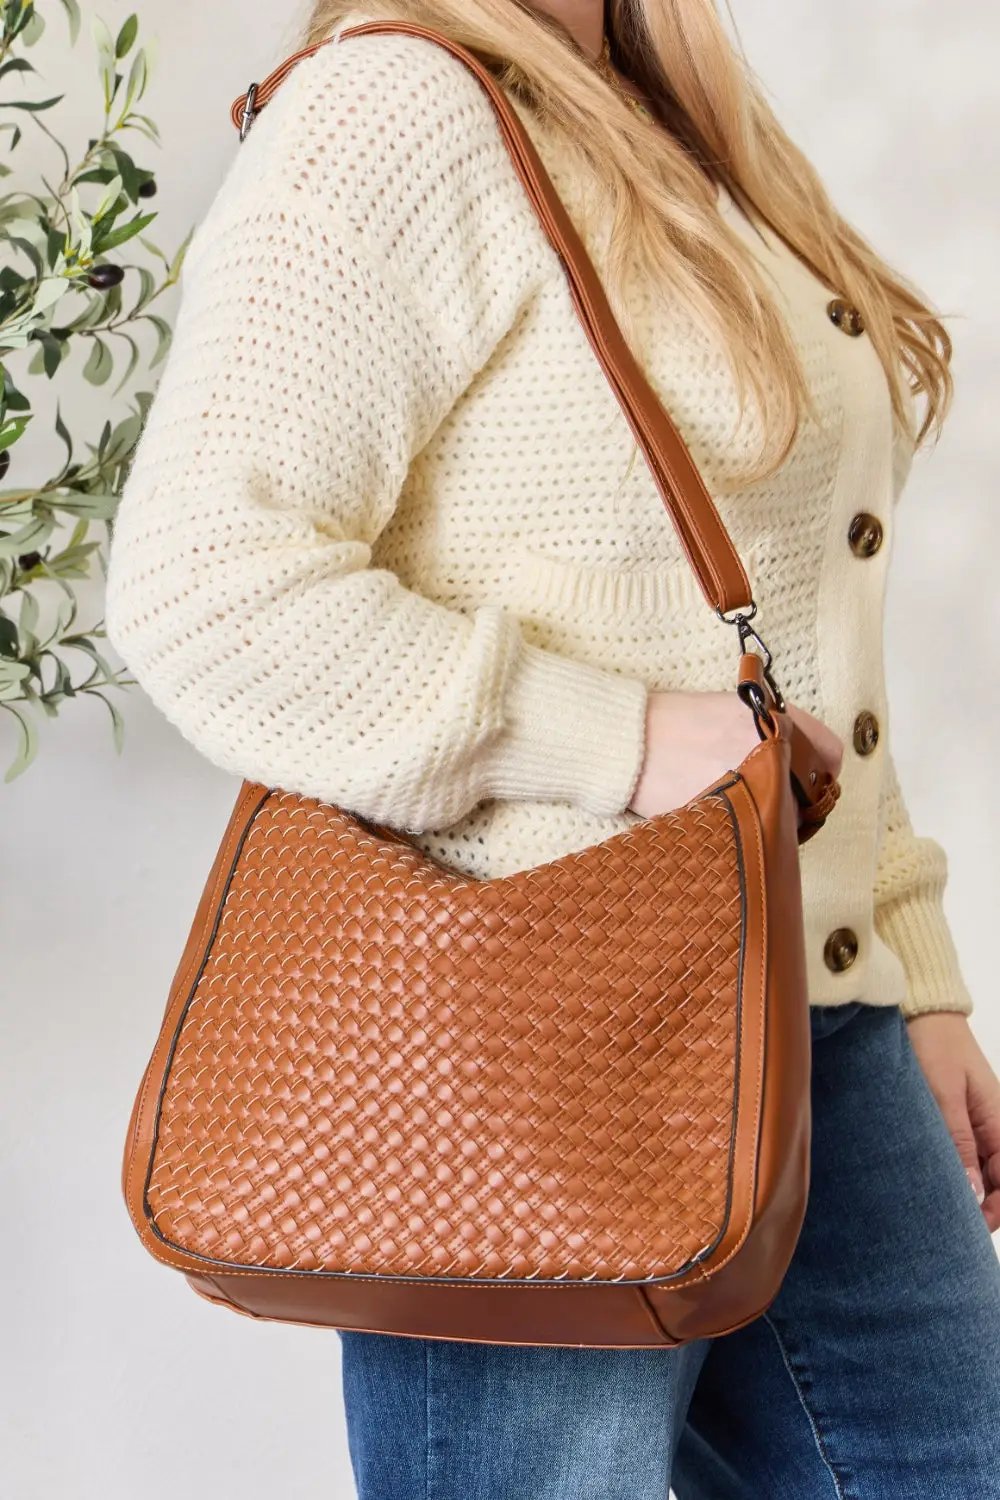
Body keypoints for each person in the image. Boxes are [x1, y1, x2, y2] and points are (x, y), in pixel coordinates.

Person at [104, 0, 1000, 1494]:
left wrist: (917, 979)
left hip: (806, 1011)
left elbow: (794, 620)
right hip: (522, 1045)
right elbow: (204, 580)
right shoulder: (393, 109)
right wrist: (625, 739)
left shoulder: (678, 113)